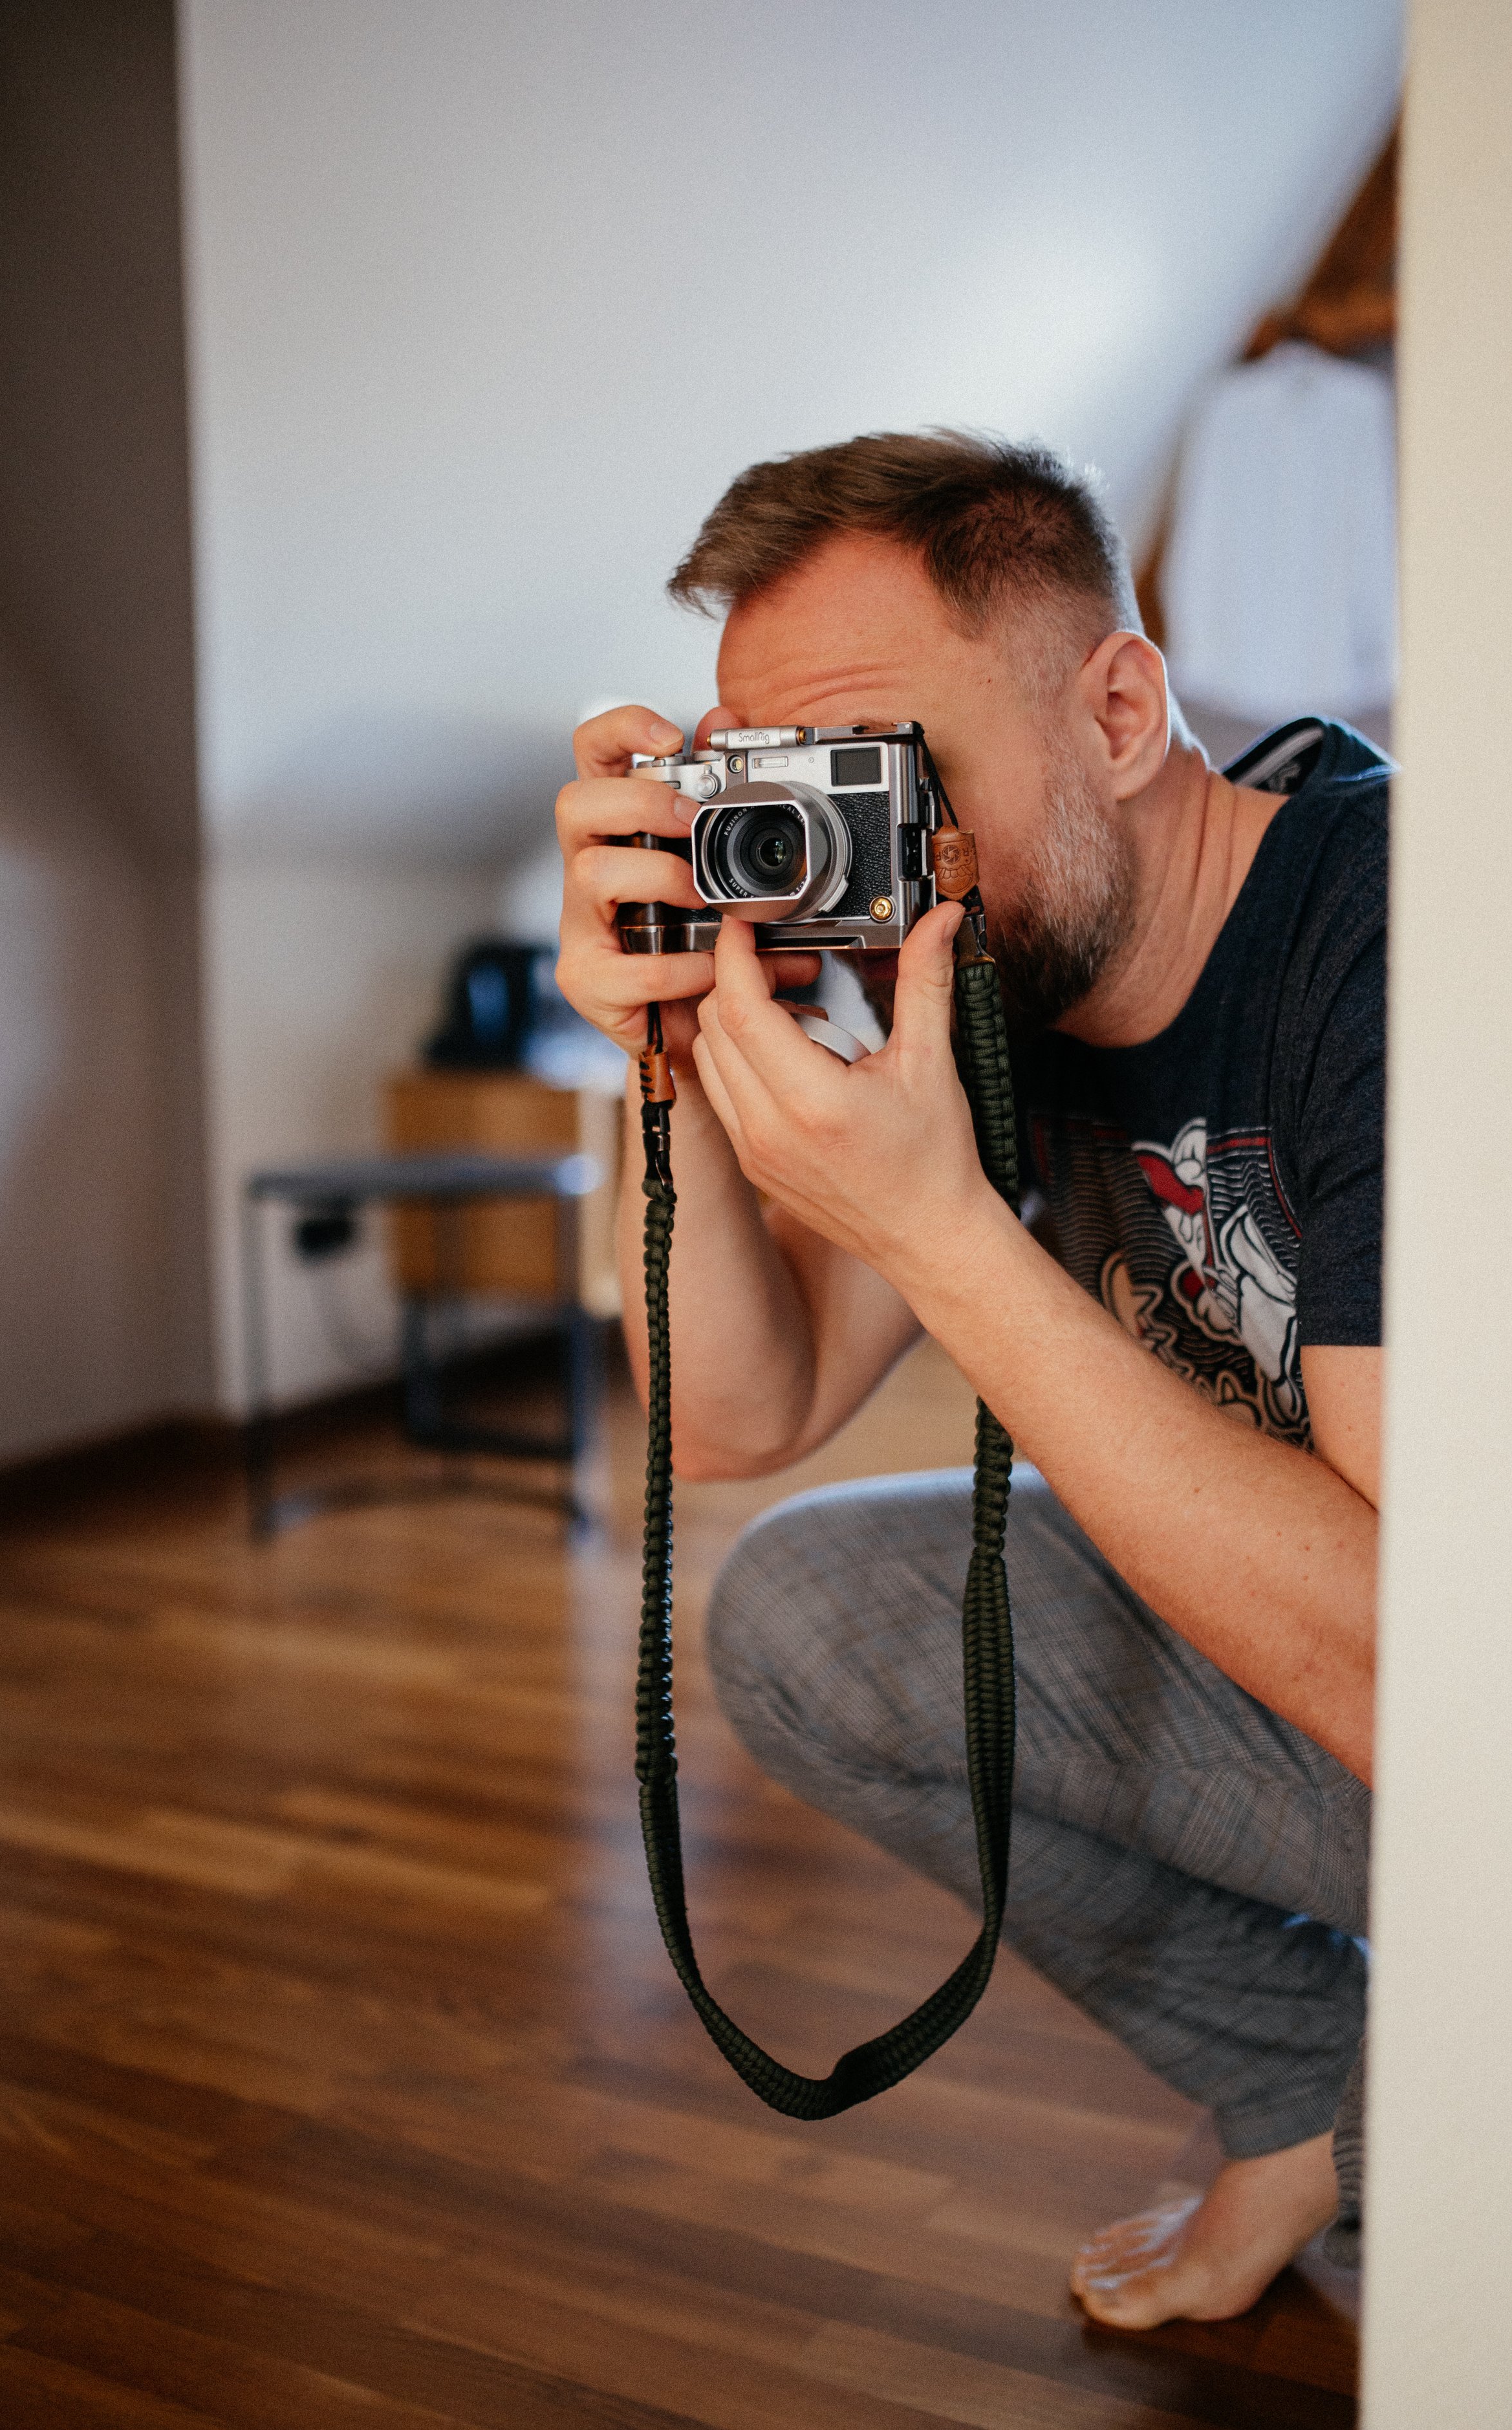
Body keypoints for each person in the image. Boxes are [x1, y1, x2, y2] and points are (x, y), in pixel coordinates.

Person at [552, 431, 1383, 2330]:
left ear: (1113, 710)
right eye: (787, 786)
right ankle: (1310, 2088)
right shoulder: (986, 955)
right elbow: (744, 1417)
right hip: (1315, 1672)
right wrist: (662, 1036)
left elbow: (1428, 1680)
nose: (847, 858)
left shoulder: (1393, 940)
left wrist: (940, 1233)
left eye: (891, 772)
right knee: (806, 1620)